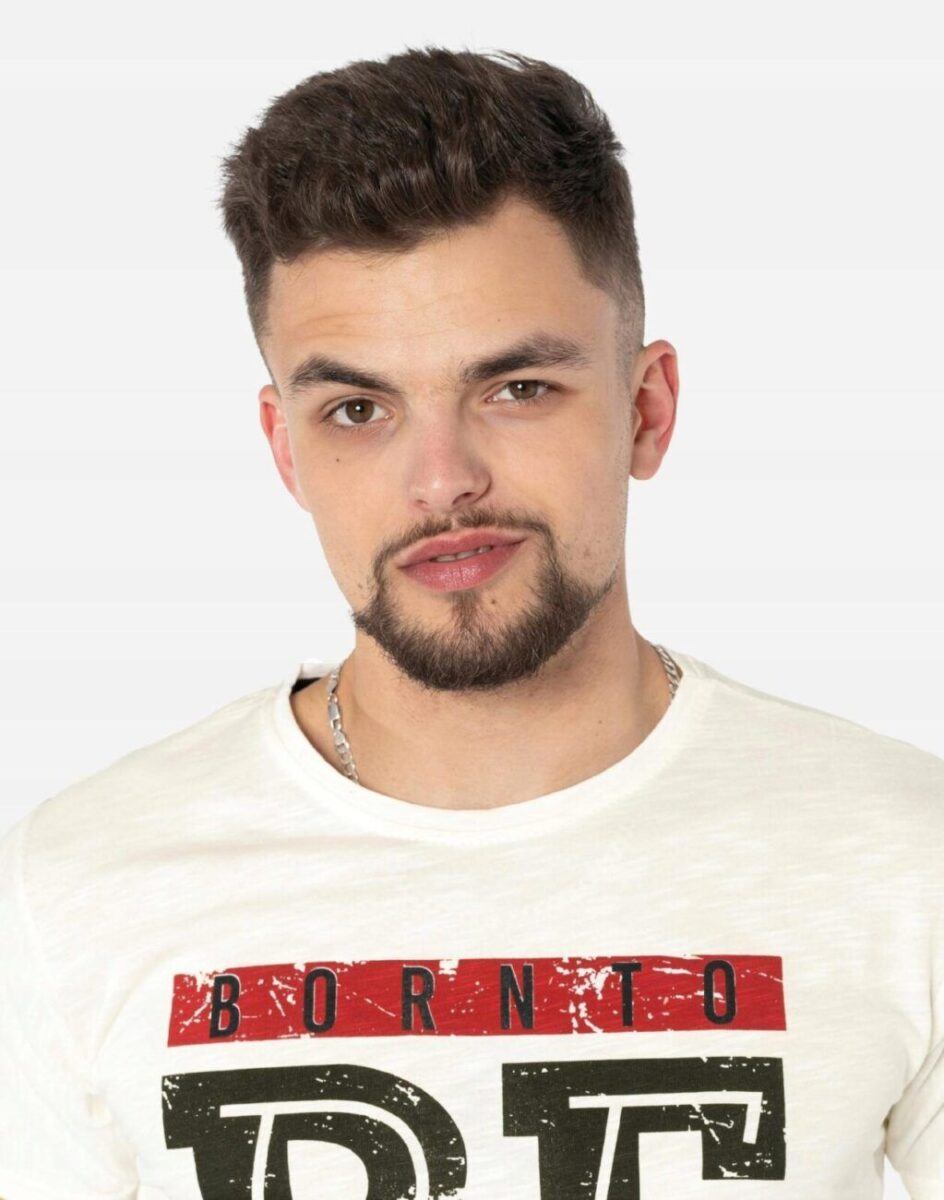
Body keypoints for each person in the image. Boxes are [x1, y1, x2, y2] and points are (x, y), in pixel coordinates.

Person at [0, 45, 941, 1200]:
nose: (441, 478)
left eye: (516, 389)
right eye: (358, 409)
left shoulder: (903, 856)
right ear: (285, 450)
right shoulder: (76, 886)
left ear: (644, 410)